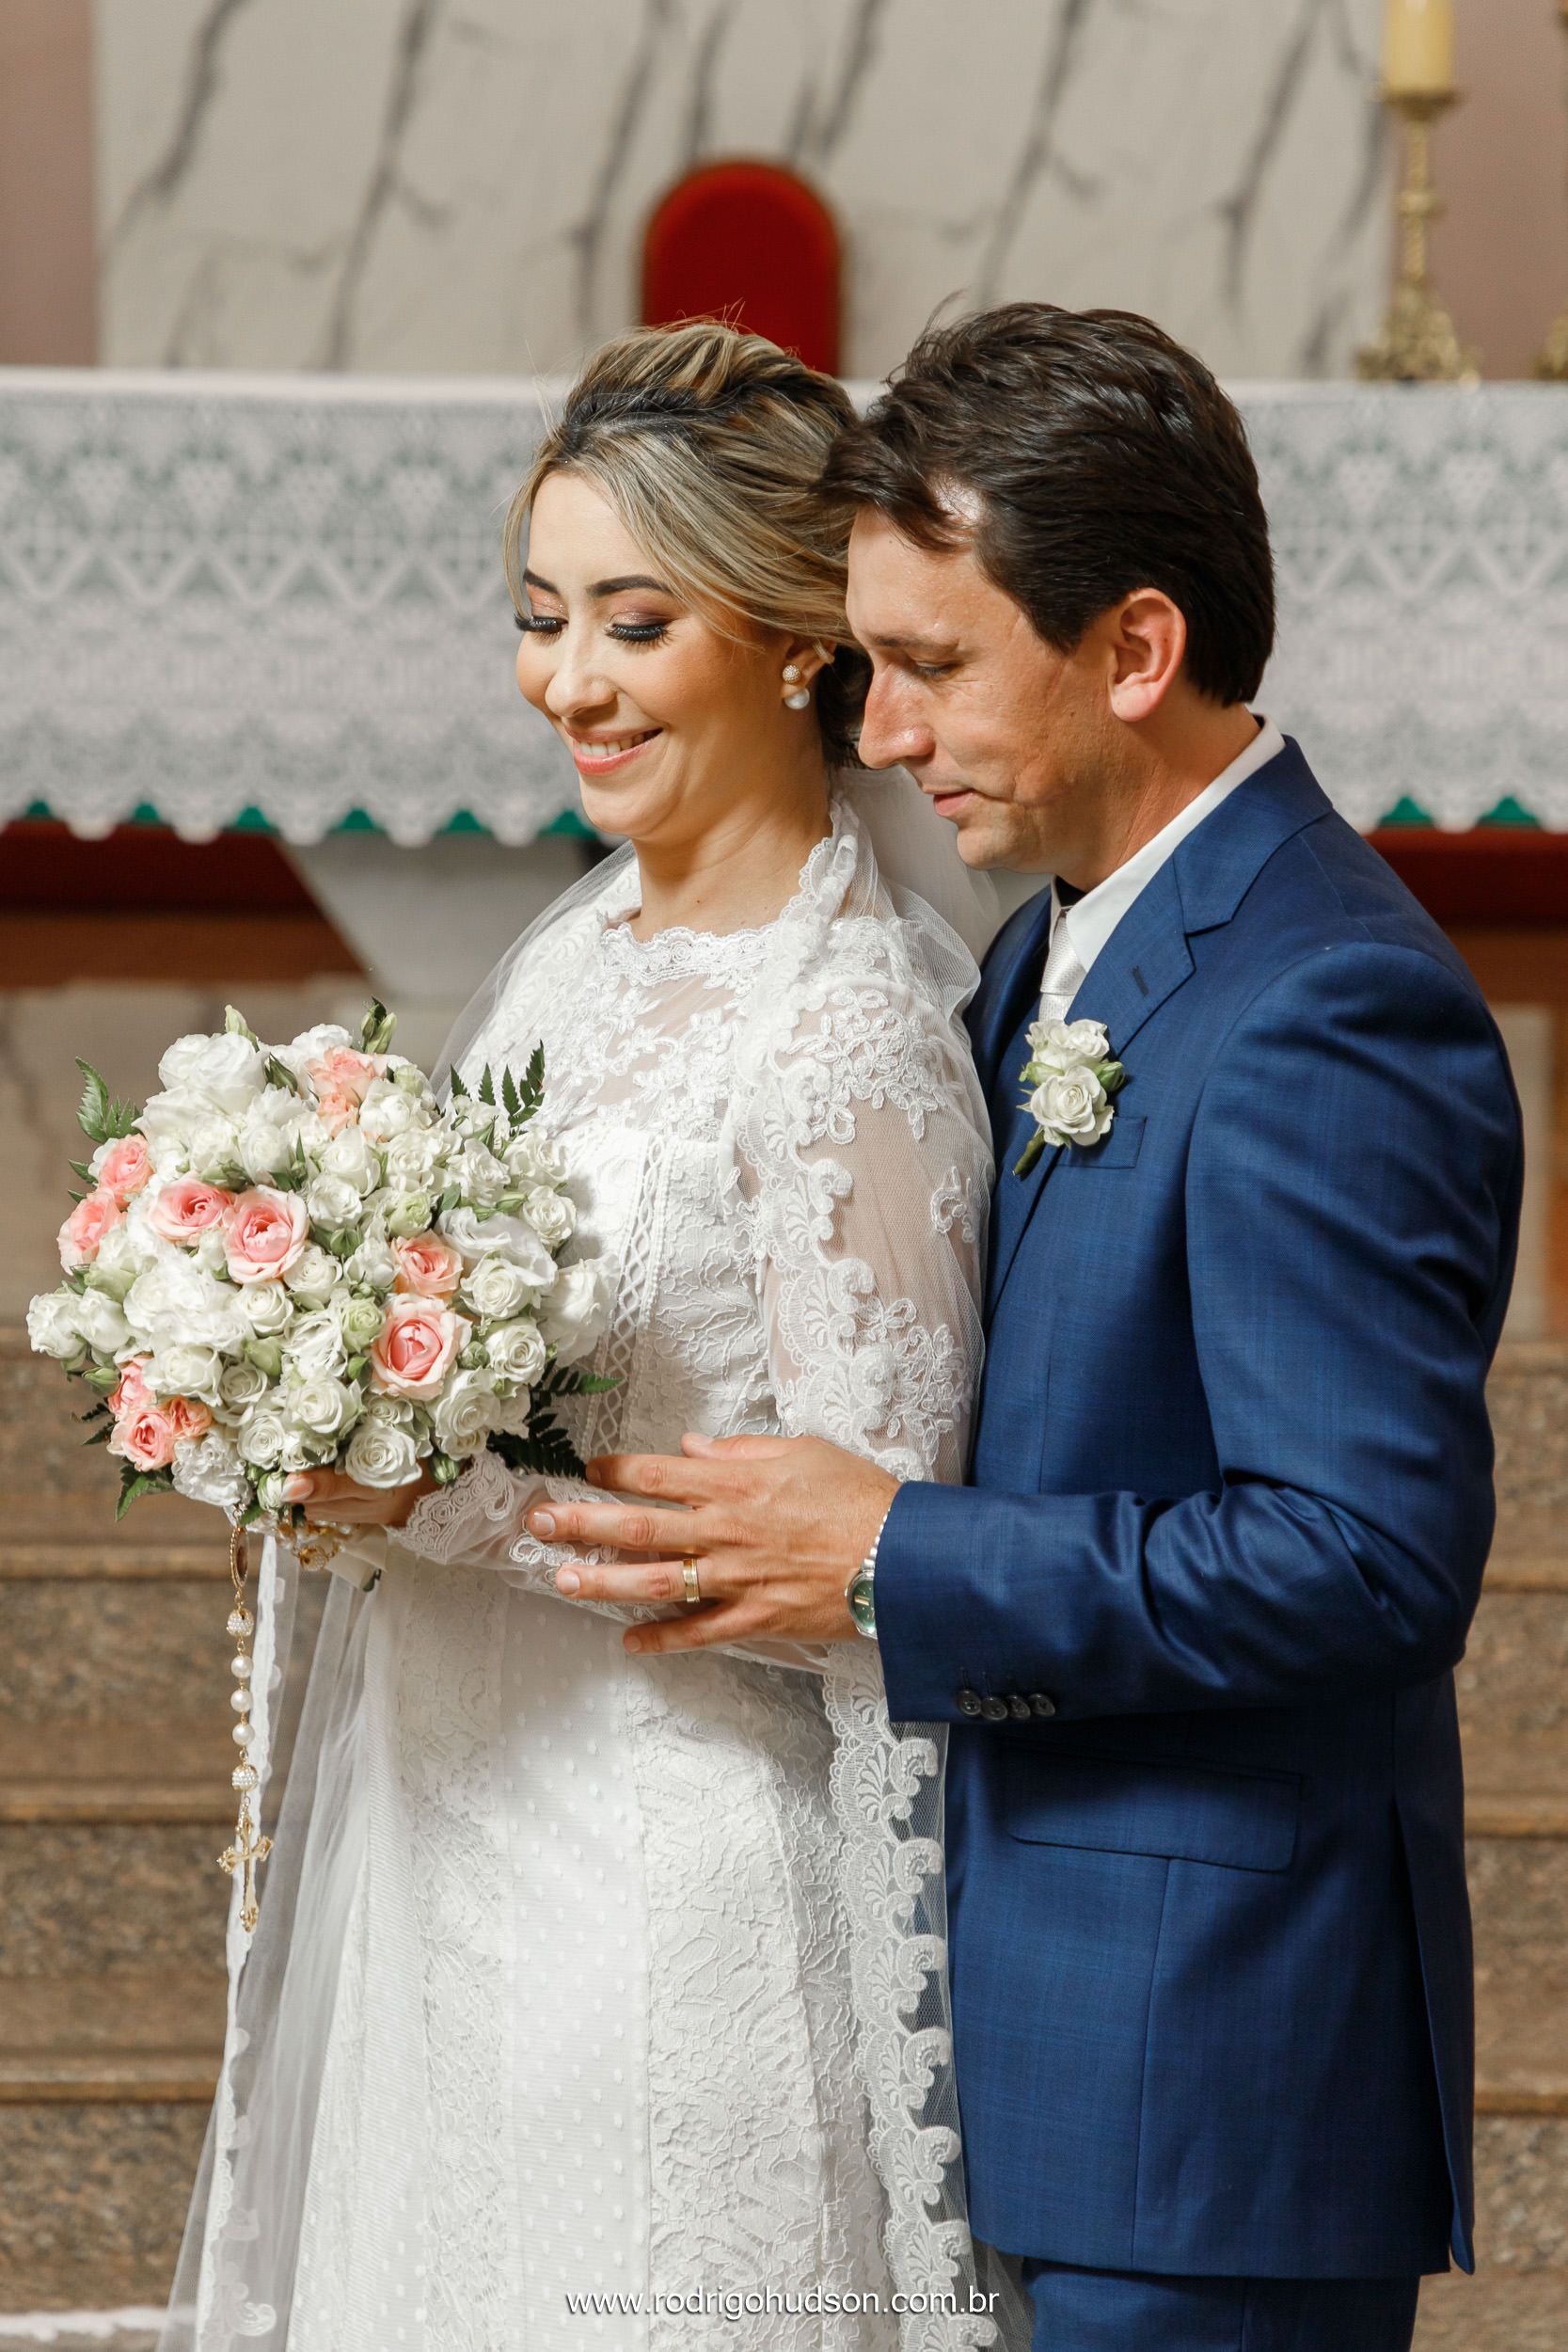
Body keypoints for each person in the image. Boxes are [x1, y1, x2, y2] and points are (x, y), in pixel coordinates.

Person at [532, 306, 1527, 2352]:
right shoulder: (1038, 953)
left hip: (1208, 2082)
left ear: (1134, 649)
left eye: (929, 664)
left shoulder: (1333, 1003)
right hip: (1036, 2028)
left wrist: (894, 1548)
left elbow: (1366, 1559)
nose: (881, 732)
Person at [160, 323, 1020, 2350]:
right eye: (542, 617)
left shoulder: (853, 1032)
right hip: (451, 1865)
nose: (567, 679)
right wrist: (298, 1371)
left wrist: (422, 1494)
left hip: (669, 1909)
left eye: (634, 621)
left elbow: (883, 1566)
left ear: (799, 637)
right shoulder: (573, 957)